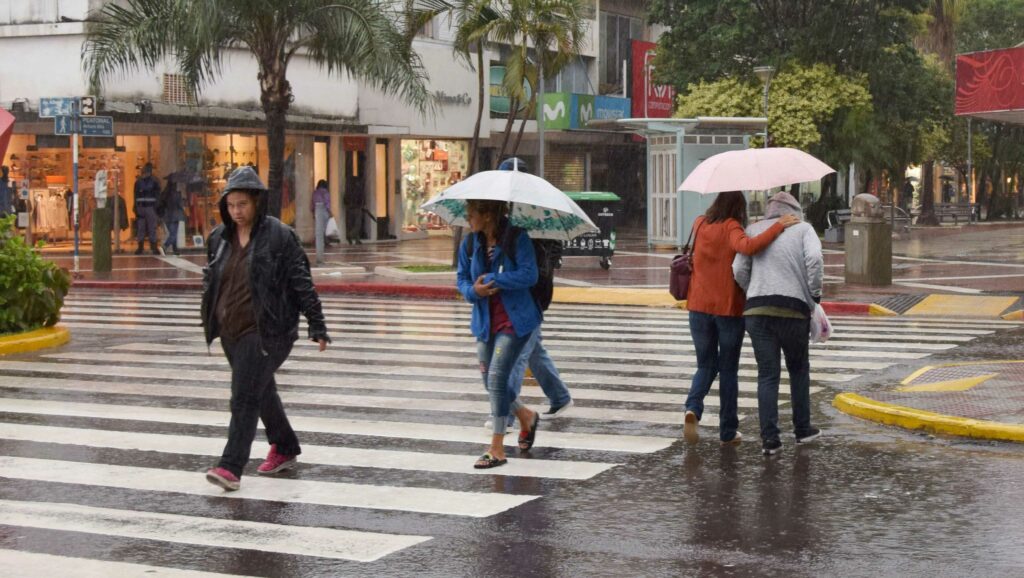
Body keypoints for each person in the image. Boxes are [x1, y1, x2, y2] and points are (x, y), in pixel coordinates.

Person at [201, 166, 331, 491]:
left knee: (243, 396)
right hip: (231, 331)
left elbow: (301, 282)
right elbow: (214, 278)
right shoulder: (219, 238)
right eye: (231, 205)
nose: (237, 212)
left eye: (242, 205)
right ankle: (285, 446)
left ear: (257, 202)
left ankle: (231, 467)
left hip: (268, 331)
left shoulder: (279, 236)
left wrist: (317, 323)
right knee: (261, 392)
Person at [682, 191, 799, 445]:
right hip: (728, 310)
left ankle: (693, 407)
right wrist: (778, 226)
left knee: (704, 365)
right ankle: (727, 431)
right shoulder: (731, 226)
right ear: (739, 207)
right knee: (728, 370)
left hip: (698, 308)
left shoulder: (700, 223)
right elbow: (748, 247)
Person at [732, 191, 824, 456]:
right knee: (798, 369)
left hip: (758, 311)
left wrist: (754, 290)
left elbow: (738, 269)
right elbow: (815, 260)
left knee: (768, 374)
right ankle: (802, 429)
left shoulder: (752, 229)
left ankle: (770, 439)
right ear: (794, 210)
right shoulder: (804, 229)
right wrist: (814, 294)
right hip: (793, 310)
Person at [457, 199, 541, 469]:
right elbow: (462, 280)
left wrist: (496, 280)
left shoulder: (517, 238)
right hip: (485, 322)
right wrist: (475, 291)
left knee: (496, 378)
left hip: (514, 321)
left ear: (488, 215)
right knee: (490, 382)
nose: (469, 220)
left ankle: (496, 447)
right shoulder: (470, 244)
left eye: (472, 215)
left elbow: (530, 275)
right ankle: (525, 415)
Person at [133, 162, 161, 255]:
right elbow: (157, 195)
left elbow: (136, 196)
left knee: (145, 227)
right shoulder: (154, 181)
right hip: (148, 207)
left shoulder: (139, 182)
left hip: (145, 207)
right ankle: (152, 247)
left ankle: (144, 247)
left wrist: (136, 207)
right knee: (147, 227)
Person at [159, 179, 185, 255]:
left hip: (167, 215)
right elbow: (180, 205)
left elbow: (161, 203)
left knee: (173, 233)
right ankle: (165, 246)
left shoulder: (164, 194)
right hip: (175, 215)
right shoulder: (177, 194)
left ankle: (175, 249)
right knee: (174, 234)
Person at [343, 177, 363, 244]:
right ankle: (350, 235)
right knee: (357, 225)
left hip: (350, 209)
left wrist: (348, 205)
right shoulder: (359, 189)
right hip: (357, 208)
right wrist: (361, 205)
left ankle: (357, 239)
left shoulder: (348, 190)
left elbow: (345, 199)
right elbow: (361, 199)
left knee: (352, 225)